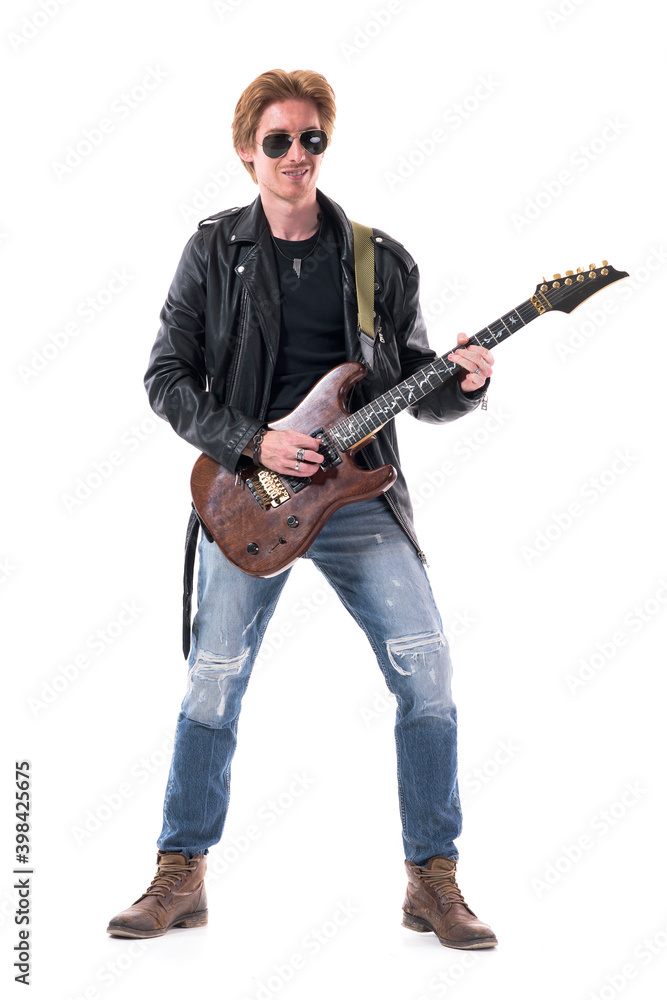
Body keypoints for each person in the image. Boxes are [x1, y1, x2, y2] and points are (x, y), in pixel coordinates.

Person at [107, 69, 497, 950]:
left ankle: (431, 879)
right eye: (277, 140)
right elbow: (164, 381)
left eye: (310, 139)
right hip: (250, 498)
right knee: (214, 677)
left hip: (359, 498)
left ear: (325, 145)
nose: (294, 155)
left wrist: (463, 385)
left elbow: (411, 389)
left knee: (427, 674)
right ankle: (182, 871)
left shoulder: (377, 259)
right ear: (247, 151)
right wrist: (253, 441)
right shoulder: (213, 250)